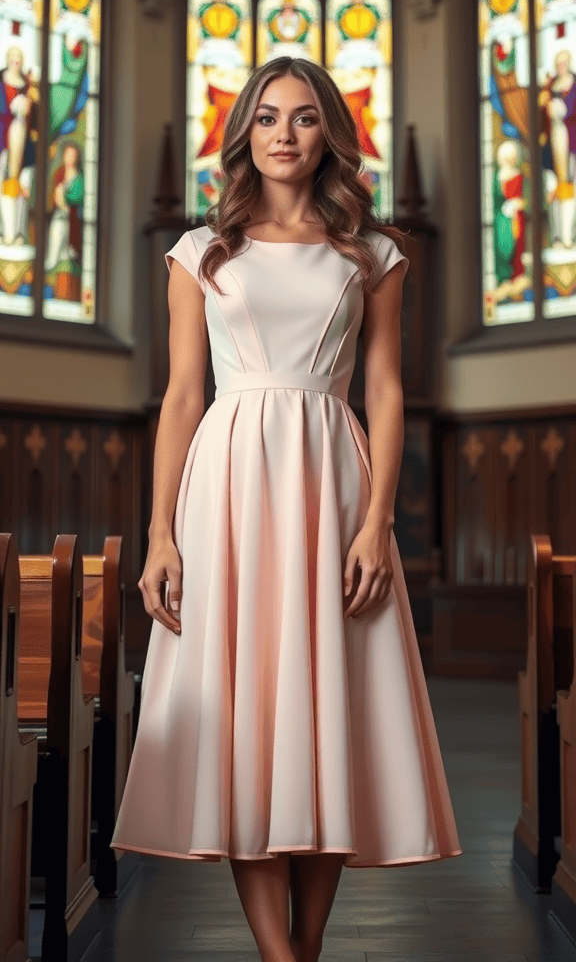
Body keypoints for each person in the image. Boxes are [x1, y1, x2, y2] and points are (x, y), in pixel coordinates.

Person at [111, 55, 462, 962]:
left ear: (329, 135)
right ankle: (282, 956)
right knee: (248, 719)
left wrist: (377, 520)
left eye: (304, 118)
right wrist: (160, 533)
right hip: (225, 489)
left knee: (324, 712)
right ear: (243, 134)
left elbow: (383, 392)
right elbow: (183, 396)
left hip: (332, 486)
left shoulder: (374, 254)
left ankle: (307, 945)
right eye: (266, 117)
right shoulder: (201, 252)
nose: (282, 133)